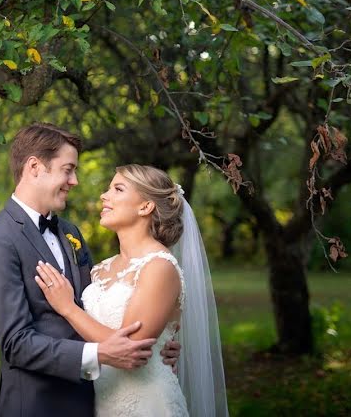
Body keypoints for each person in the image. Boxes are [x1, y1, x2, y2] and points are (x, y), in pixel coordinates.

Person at [0, 124, 180, 417]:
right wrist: (99, 354)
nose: (75, 181)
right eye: (68, 170)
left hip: (96, 400)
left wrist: (158, 345)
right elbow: (15, 343)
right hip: (39, 404)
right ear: (34, 168)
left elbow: (95, 305)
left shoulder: (70, 233)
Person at [34, 164, 228, 417]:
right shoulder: (100, 268)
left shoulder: (160, 267)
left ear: (145, 207)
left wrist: (68, 308)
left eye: (118, 189)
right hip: (99, 401)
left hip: (148, 404)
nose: (104, 195)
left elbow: (128, 350)